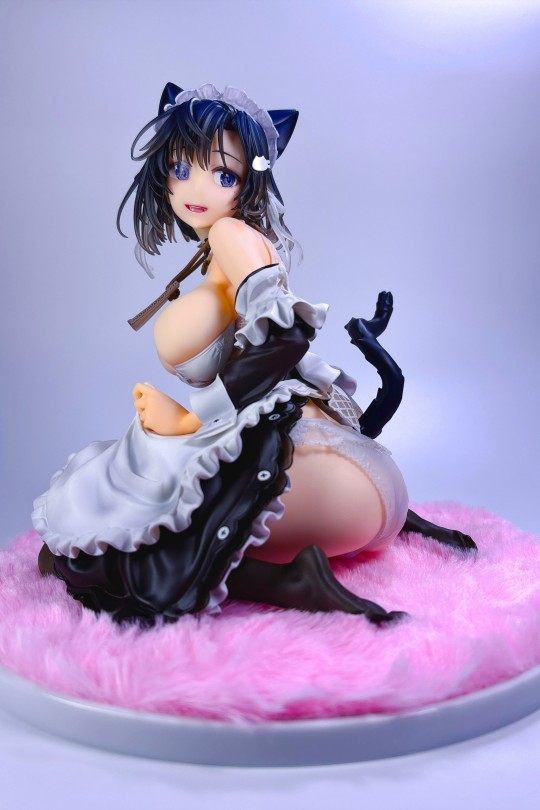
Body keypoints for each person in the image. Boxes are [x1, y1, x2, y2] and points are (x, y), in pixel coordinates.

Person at [34, 83, 475, 625]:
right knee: (113, 507)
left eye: (223, 175)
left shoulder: (230, 235)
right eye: (181, 169)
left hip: (322, 480)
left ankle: (292, 581)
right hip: (353, 487)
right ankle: (303, 566)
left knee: (109, 544)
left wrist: (195, 418)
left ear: (249, 182)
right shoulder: (226, 246)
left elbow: (287, 337)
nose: (196, 188)